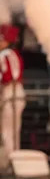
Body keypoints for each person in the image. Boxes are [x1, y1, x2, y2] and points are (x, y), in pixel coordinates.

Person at [0, 24, 24, 161]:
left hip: (9, 91)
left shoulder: (3, 55)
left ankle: (11, 161)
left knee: (7, 131)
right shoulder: (16, 54)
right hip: (19, 91)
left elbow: (5, 76)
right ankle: (16, 159)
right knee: (15, 130)